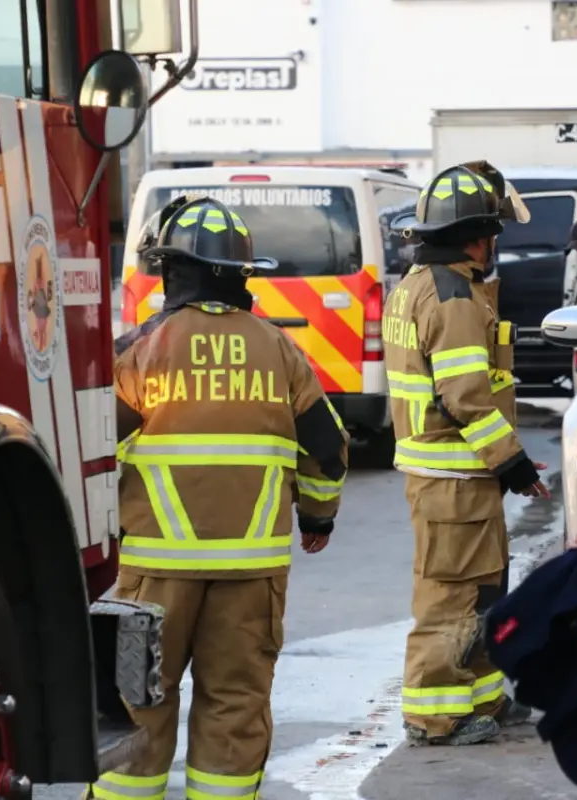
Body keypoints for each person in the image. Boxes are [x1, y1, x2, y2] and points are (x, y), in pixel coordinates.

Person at [90, 196, 350, 800]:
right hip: (250, 572)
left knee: (139, 705)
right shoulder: (279, 349)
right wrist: (317, 515)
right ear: (242, 274)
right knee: (235, 705)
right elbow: (327, 449)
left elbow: (95, 449)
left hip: (153, 572)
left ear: (170, 270)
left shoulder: (141, 349)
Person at [384, 161, 550, 746]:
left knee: (481, 590)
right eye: (492, 232)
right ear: (473, 235)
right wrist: (514, 462)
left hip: (457, 477)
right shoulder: (453, 297)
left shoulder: (418, 287)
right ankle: (436, 715)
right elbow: (466, 398)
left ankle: (480, 697)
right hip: (453, 476)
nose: (494, 244)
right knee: (450, 597)